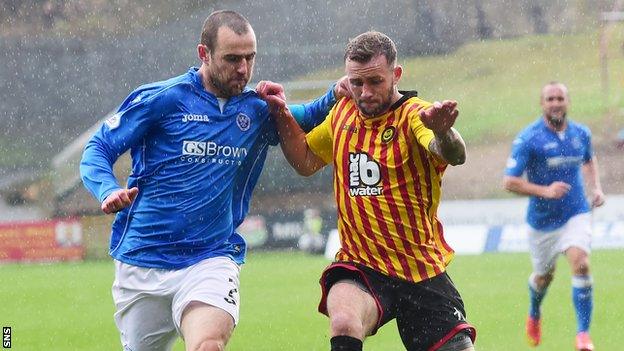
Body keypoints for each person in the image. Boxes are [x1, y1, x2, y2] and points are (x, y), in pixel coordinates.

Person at [80, 10, 344, 351]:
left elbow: (303, 116)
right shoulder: (163, 99)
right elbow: (98, 147)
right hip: (142, 259)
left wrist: (336, 93)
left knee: (208, 345)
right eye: (232, 59)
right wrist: (107, 188)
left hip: (210, 257)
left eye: (250, 58)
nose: (244, 70)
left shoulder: (256, 110)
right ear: (204, 54)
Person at [260, 31, 476, 351]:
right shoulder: (344, 113)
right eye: (356, 82)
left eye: (375, 81)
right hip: (363, 266)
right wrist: (281, 113)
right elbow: (305, 160)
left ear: (396, 74)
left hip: (420, 269)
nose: (365, 92)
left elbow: (453, 154)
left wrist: (444, 131)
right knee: (344, 320)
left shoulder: (415, 114)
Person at [503, 82, 605, 351]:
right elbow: (510, 182)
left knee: (580, 263)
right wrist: (545, 191)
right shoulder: (529, 138)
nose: (555, 103)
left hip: (576, 212)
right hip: (543, 222)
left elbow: (588, 159)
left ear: (567, 102)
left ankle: (583, 335)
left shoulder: (581, 133)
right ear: (542, 104)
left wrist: (596, 188)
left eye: (560, 98)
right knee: (543, 277)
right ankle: (534, 312)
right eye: (550, 98)